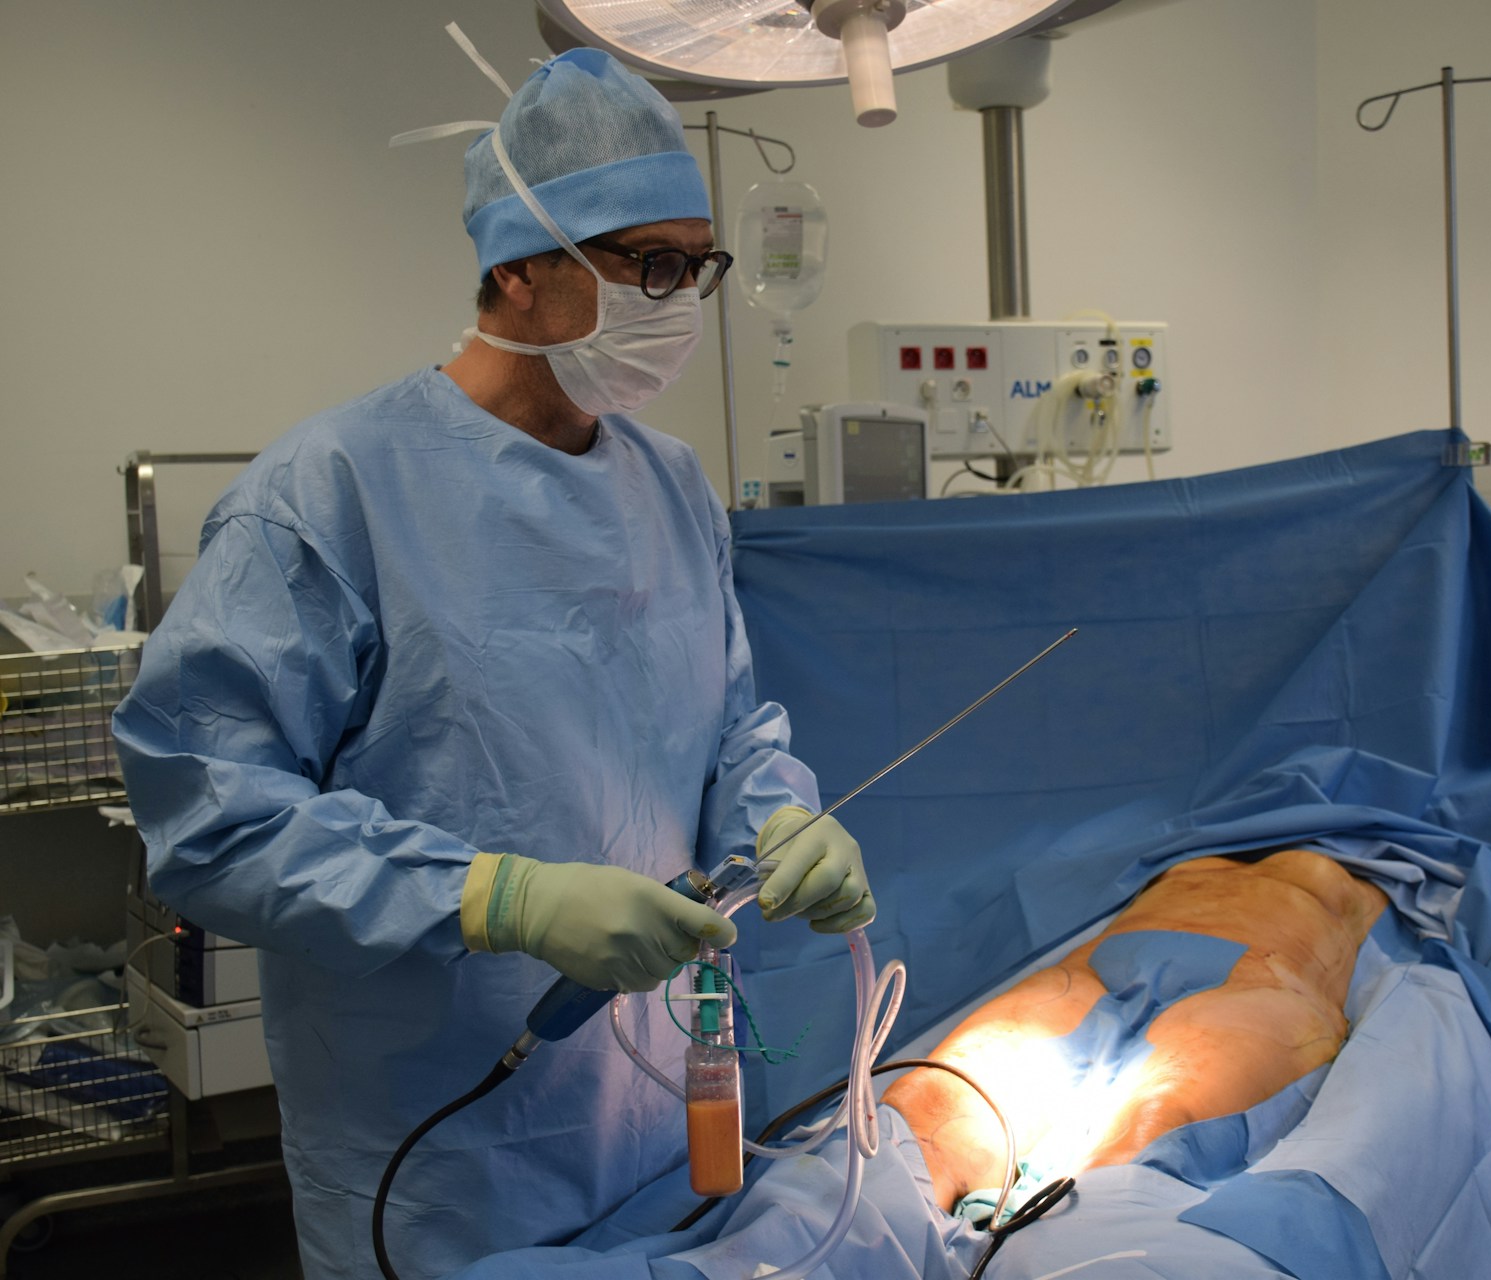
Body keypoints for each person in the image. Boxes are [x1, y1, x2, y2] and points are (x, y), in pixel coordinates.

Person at [111, 49, 873, 1280]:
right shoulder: (331, 492)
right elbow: (212, 821)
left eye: (700, 266)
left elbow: (725, 725)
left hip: (660, 1116)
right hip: (440, 1145)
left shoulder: (670, 485)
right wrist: (500, 899)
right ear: (519, 269)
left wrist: (782, 820)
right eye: (651, 266)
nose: (683, 301)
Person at [883, 848, 1385, 1213]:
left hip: (1256, 981)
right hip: (1096, 970)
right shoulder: (1176, 839)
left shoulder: (1384, 865)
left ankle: (1070, 1238)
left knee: (1152, 1125)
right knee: (930, 1108)